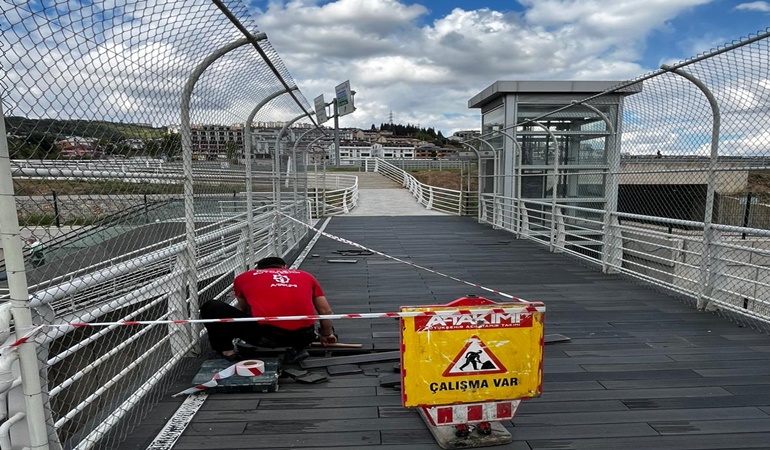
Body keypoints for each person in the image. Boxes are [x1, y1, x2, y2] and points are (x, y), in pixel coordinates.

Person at [199, 256, 337, 363]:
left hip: (266, 338)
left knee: (211, 306)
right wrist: (326, 334)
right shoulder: (306, 276)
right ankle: (297, 347)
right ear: (285, 267)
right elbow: (325, 311)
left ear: (258, 269)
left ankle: (226, 352)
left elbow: (245, 309)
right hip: (304, 336)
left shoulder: (244, 277)